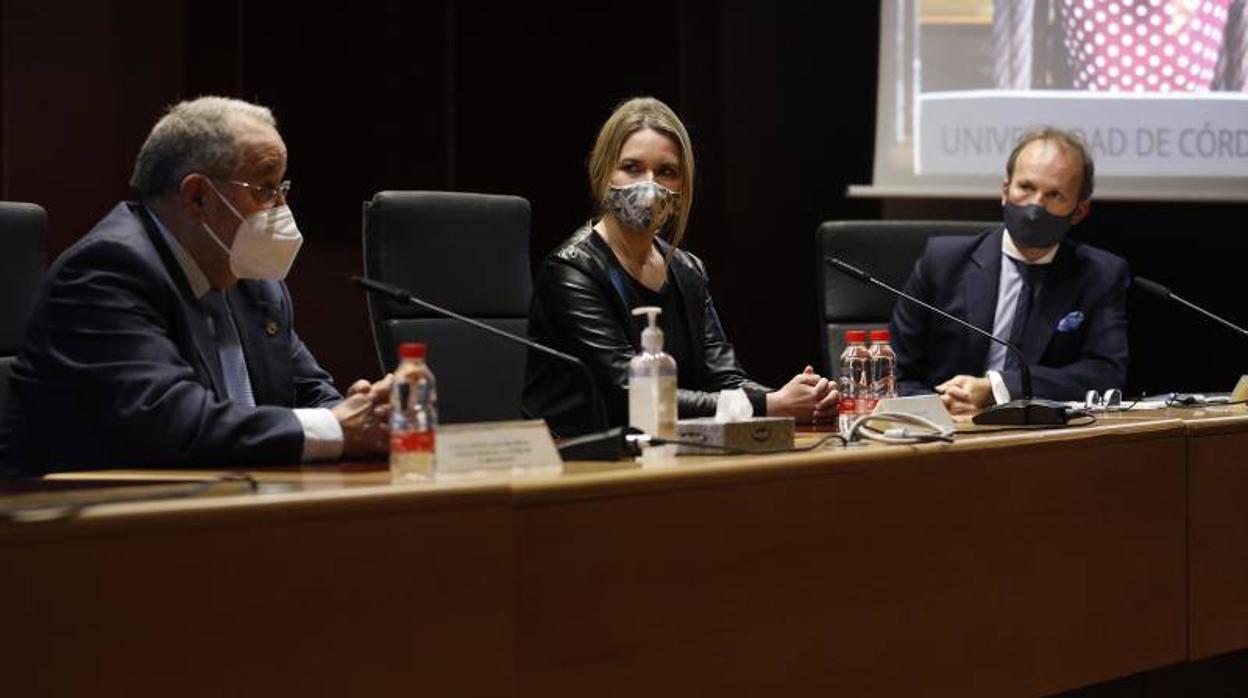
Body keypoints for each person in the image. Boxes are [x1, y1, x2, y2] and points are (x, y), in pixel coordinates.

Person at [0, 96, 390, 475]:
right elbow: (171, 420)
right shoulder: (107, 273)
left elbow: (309, 391)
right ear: (198, 197)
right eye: (264, 189)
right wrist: (338, 428)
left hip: (222, 502)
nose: (280, 211)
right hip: (83, 522)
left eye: (282, 190)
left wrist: (371, 413)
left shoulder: (251, 278)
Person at [522, 96, 837, 437]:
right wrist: (770, 405)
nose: (649, 184)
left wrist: (797, 397)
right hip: (575, 462)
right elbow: (631, 396)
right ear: (603, 174)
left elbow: (722, 376)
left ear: (682, 187)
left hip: (667, 451)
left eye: (666, 172)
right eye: (632, 168)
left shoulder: (687, 270)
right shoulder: (571, 272)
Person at [890, 127, 1129, 415]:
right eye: (1026, 188)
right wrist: (937, 405)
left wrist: (997, 388)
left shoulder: (1099, 274)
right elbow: (895, 371)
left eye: (1054, 195)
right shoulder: (942, 263)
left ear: (1079, 211)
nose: (1034, 207)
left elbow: (1104, 374)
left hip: (1044, 439)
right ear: (1005, 191)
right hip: (946, 432)